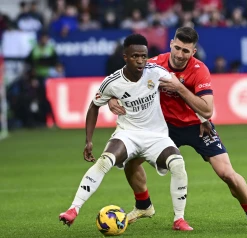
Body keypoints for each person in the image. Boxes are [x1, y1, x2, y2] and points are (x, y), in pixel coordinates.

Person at [108, 27, 247, 226]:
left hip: (198, 126)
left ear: (193, 52)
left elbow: (207, 110)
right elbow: (123, 78)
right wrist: (112, 97)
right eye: (177, 48)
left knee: (227, 173)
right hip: (164, 128)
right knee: (130, 161)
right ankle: (144, 205)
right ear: (171, 44)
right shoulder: (155, 64)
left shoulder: (199, 70)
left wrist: (179, 87)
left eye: (186, 51)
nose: (180, 54)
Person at [58, 34, 193, 231]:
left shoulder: (155, 72)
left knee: (178, 164)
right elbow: (94, 106)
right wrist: (89, 140)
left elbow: (181, 87)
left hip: (157, 136)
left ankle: (179, 219)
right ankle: (73, 210)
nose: (140, 60)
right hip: (128, 134)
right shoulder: (112, 82)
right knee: (105, 160)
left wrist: (203, 117)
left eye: (144, 56)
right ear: (125, 57)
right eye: (135, 56)